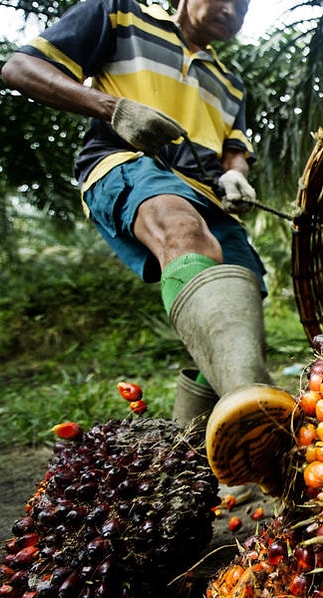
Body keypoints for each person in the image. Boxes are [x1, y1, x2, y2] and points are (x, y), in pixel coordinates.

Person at [1, 0, 295, 499]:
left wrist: (235, 175)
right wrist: (112, 107)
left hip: (209, 199)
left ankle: (190, 473)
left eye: (244, 5)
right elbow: (20, 67)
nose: (233, 9)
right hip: (127, 161)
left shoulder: (230, 81)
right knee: (180, 228)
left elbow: (235, 149)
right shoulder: (120, 14)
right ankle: (260, 425)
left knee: (239, 296)